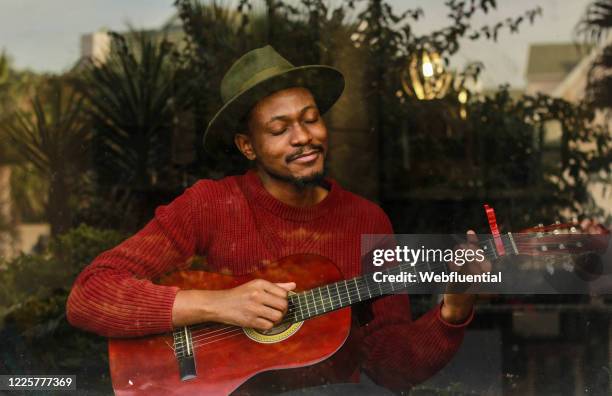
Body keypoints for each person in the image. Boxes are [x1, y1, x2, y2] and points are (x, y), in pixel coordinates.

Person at [66, 45, 479, 394]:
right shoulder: (210, 205)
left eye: (311, 118)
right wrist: (219, 304)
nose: (303, 137)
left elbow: (391, 367)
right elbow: (90, 295)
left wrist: (453, 311)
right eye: (279, 129)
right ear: (248, 146)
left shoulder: (365, 220)